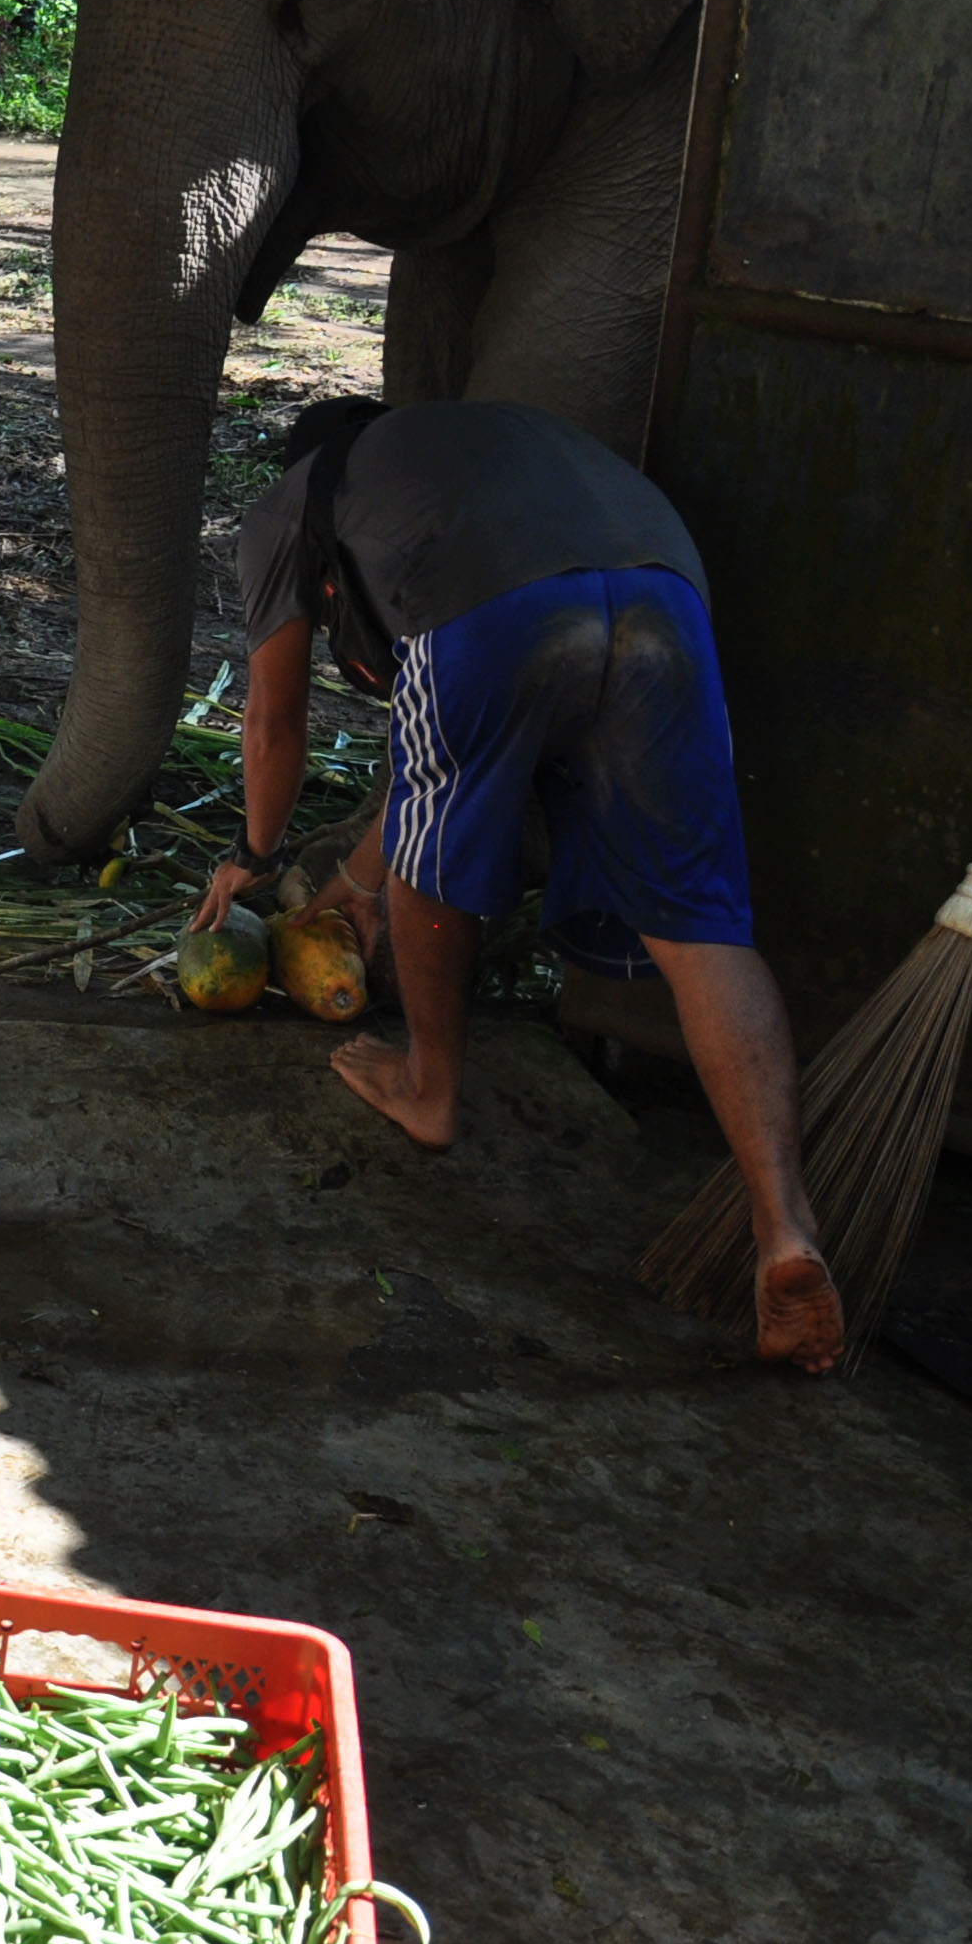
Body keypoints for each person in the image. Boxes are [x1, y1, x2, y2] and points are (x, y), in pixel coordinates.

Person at [191, 397, 846, 1372]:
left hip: (490, 602)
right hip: (664, 598)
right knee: (701, 928)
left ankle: (429, 1090)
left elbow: (273, 720)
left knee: (432, 866)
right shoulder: (475, 452)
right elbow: (440, 770)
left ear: (311, 464)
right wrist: (357, 875)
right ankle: (785, 1226)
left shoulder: (294, 499)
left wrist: (251, 852)